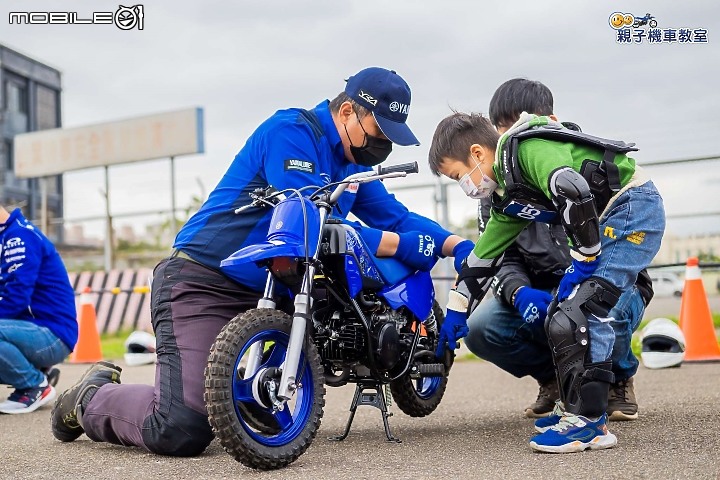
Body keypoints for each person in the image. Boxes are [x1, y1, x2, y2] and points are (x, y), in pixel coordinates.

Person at [52, 67, 474, 456]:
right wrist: (401, 245)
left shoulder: (348, 166)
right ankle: (89, 397)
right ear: (348, 110)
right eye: (379, 131)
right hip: (203, 280)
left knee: (255, 416)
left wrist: (456, 245)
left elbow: (395, 214)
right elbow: (311, 217)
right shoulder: (290, 132)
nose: (383, 145)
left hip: (271, 293)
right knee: (180, 427)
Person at [428, 108, 664, 453]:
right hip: (609, 218)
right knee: (561, 313)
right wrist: (455, 311)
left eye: (458, 175)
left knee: (585, 308)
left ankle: (590, 423)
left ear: (477, 154)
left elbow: (572, 189)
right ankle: (575, 408)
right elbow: (483, 259)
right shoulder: (509, 197)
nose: (464, 186)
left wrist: (582, 261)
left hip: (632, 207)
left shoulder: (527, 148)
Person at [463, 78, 653, 422]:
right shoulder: (500, 192)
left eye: (521, 124)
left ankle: (616, 380)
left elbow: (614, 235)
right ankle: (557, 382)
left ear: (549, 121)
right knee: (481, 326)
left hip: (606, 281)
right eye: (503, 128)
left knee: (596, 306)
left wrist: (582, 269)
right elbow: (498, 256)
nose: (514, 135)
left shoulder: (579, 168)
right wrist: (519, 293)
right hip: (543, 290)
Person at [0, 205, 77, 414]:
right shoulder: (8, 236)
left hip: (52, 334)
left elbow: (15, 299)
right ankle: (37, 372)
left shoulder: (19, 237)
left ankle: (34, 384)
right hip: (36, 330)